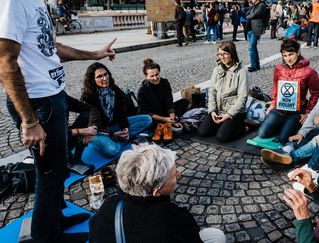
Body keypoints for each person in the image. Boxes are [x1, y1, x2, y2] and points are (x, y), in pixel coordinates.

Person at [0, 0, 116, 241]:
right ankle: (46, 236)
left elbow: (50, 48)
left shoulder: (37, 2)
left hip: (53, 97)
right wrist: (30, 121)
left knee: (60, 167)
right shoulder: (13, 2)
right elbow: (4, 61)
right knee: (49, 173)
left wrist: (95, 54)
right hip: (38, 103)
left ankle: (56, 218)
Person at [89, 144, 226, 243]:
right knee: (216, 235)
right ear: (156, 192)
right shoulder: (174, 217)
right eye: (173, 175)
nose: (179, 174)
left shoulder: (109, 204)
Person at [258, 38, 319, 146]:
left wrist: (308, 112)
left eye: (291, 54)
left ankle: (291, 126)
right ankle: (282, 124)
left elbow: (316, 93)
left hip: (297, 112)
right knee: (262, 134)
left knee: (284, 139)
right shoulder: (279, 68)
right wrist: (273, 103)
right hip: (280, 109)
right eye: (285, 55)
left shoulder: (309, 71)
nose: (288, 58)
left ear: (298, 52)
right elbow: (275, 86)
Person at [81, 62, 152, 157]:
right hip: (99, 131)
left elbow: (121, 112)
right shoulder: (88, 97)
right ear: (93, 80)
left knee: (147, 119)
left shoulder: (115, 90)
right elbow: (92, 126)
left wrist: (124, 127)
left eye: (106, 74)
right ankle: (123, 141)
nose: (105, 78)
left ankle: (122, 137)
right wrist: (112, 134)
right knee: (112, 150)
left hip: (115, 125)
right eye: (99, 76)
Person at [198, 41, 249, 142]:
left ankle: (244, 127)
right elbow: (212, 91)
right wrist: (212, 111)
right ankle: (223, 126)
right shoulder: (217, 70)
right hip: (219, 110)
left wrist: (228, 115)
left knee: (221, 137)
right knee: (202, 132)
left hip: (234, 113)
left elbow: (242, 97)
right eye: (220, 54)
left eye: (225, 54)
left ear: (232, 54)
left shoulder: (242, 71)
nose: (222, 57)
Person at [137, 58, 189, 142]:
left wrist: (171, 118)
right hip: (154, 115)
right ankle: (163, 125)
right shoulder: (143, 90)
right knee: (147, 119)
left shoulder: (165, 82)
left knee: (184, 102)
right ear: (146, 77)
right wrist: (165, 119)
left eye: (157, 74)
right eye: (152, 76)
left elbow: (169, 101)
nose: (155, 78)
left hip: (165, 111)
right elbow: (145, 111)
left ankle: (169, 124)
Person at [246, 0, 267, 72]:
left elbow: (254, 15)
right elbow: (247, 13)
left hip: (256, 28)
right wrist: (249, 14)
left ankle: (253, 65)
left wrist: (249, 16)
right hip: (250, 29)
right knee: (253, 47)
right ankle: (257, 65)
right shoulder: (254, 6)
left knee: (251, 47)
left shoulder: (261, 5)